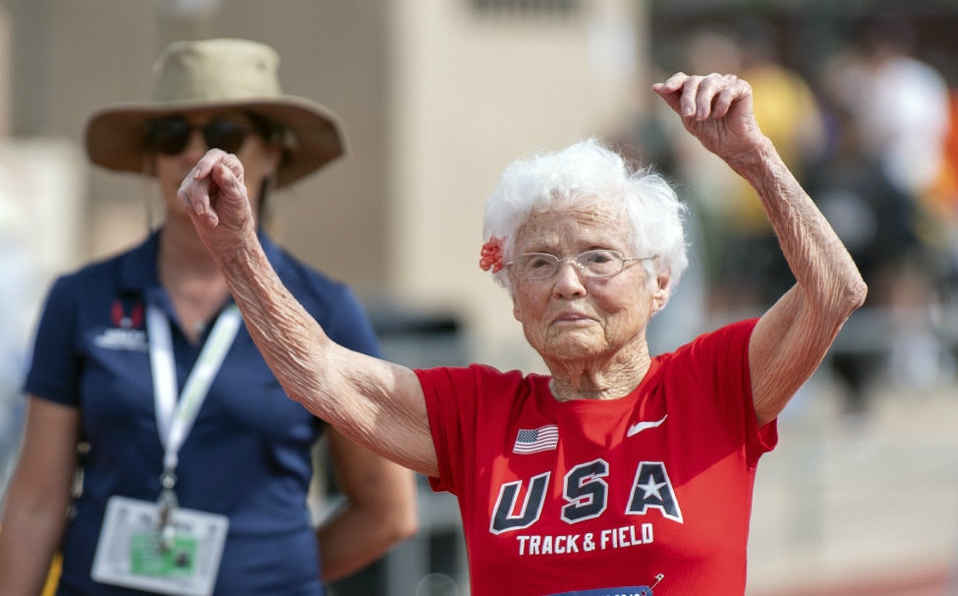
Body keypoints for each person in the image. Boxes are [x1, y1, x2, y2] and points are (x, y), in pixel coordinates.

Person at [177, 72, 867, 595]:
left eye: (598, 257)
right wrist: (236, 248)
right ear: (514, 297)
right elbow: (318, 373)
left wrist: (753, 159)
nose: (568, 283)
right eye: (539, 263)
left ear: (660, 282)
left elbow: (835, 290)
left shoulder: (710, 386)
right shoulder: (478, 416)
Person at [0, 38, 417, 596]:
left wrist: (271, 573)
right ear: (151, 157)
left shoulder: (324, 309)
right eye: (171, 134)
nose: (196, 151)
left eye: (224, 133)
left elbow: (389, 511)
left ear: (273, 154)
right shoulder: (80, 298)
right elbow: (34, 501)